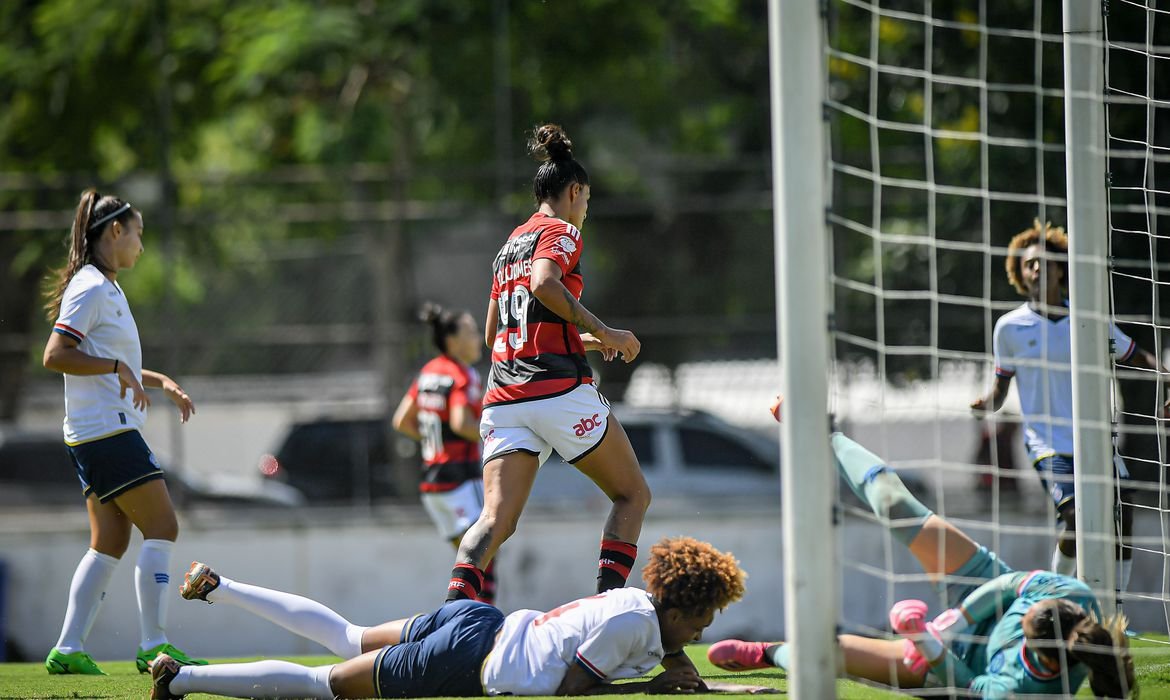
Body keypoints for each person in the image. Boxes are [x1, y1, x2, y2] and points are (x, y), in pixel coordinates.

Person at [708, 404, 1136, 698]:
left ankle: (768, 652)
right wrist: (958, 618)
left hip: (955, 664)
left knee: (827, 654)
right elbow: (1009, 586)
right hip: (981, 588)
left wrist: (927, 641)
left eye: (1022, 624)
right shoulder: (1074, 596)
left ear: (1034, 650)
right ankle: (823, 431)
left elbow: (967, 685)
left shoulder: (1016, 692)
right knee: (896, 506)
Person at [149, 537, 774, 699]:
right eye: (702, 619)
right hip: (470, 658)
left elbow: (670, 653)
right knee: (325, 686)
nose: (703, 632)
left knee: (347, 636)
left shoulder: (639, 606)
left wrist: (699, 678)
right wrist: (652, 688)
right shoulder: (636, 626)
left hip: (478, 620)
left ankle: (221, 587)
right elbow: (572, 690)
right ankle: (180, 680)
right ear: (679, 607)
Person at [443, 124, 650, 604]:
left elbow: (496, 334)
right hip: (557, 392)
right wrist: (605, 331)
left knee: (494, 520)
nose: (585, 211)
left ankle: (450, 617)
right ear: (574, 192)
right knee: (632, 495)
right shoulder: (561, 232)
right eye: (587, 200)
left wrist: (583, 342)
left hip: (504, 400)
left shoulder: (508, 246)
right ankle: (604, 613)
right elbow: (542, 283)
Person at [40, 190, 206, 675]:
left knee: (110, 540)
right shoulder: (91, 287)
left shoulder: (106, 287)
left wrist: (159, 380)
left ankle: (68, 648)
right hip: (106, 433)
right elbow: (55, 354)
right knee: (163, 527)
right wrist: (118, 368)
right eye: (138, 233)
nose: (141, 245)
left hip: (93, 434)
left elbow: (114, 363)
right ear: (115, 231)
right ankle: (154, 644)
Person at [970, 220, 1163, 595]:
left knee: (1122, 515)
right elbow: (1000, 388)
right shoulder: (1009, 327)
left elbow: (1134, 354)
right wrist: (985, 404)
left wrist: (1166, 376)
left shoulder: (1088, 319)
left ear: (1060, 269)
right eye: (1028, 264)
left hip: (1095, 441)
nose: (1036, 268)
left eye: (1043, 262)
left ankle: (1115, 604)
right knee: (1076, 517)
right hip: (1047, 443)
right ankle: (1054, 594)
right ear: (1020, 275)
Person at [392, 303, 498, 603]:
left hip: (433, 485)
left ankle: (466, 616)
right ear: (452, 340)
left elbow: (402, 420)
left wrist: (433, 441)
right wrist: (495, 433)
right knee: (483, 557)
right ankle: (480, 623)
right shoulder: (462, 375)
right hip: (460, 480)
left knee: (469, 561)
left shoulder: (429, 372)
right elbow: (460, 423)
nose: (478, 338)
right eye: (471, 332)